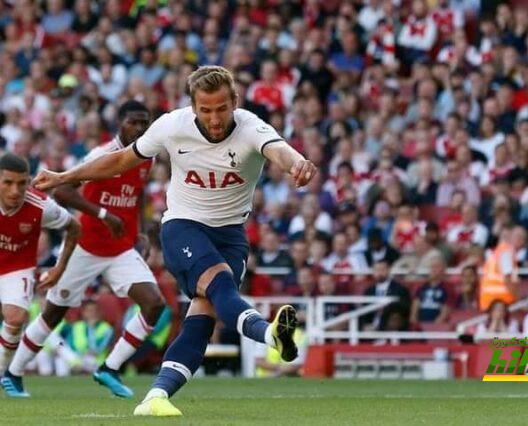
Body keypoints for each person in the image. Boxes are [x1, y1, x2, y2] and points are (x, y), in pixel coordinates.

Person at [32, 65, 317, 417]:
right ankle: (269, 333)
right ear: (193, 107)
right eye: (206, 110)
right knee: (222, 285)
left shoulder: (251, 127)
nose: (214, 119)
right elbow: (121, 159)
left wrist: (298, 163)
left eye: (222, 109)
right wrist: (65, 175)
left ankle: (156, 396)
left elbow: (279, 150)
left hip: (231, 234)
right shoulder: (171, 125)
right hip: (183, 226)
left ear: (235, 102)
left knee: (204, 315)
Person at [2, 101, 166, 399]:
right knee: (53, 314)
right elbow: (62, 190)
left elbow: (137, 194)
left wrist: (140, 229)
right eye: (134, 122)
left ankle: (110, 368)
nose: (140, 128)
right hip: (85, 246)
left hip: (120, 249)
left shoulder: (147, 158)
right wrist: (104, 215)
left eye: (145, 123)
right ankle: (13, 374)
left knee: (155, 304)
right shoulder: (100, 156)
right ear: (119, 123)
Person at [0, 153, 80, 391]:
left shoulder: (41, 206)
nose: (16, 190)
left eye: (22, 183)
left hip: (17, 266)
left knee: (15, 319)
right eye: (8, 183)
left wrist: (59, 268)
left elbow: (73, 227)